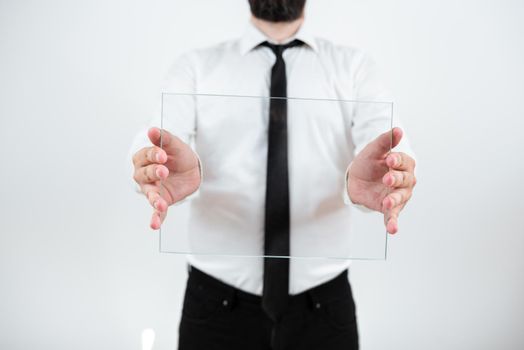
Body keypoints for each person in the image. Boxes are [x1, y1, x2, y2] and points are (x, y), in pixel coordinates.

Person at [130, 1, 416, 349]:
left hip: (324, 307)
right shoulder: (195, 66)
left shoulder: (356, 68)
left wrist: (387, 175)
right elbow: (156, 135)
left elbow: (392, 145)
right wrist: (155, 164)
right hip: (215, 306)